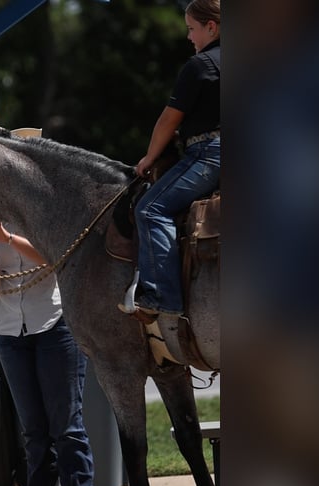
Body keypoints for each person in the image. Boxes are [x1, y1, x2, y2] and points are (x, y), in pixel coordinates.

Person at [0, 222, 101, 486]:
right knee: (34, 435)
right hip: (9, 332)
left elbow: (56, 257)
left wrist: (9, 239)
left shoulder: (37, 205)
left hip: (55, 326)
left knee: (67, 430)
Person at [128, 0, 221, 321]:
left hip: (210, 153)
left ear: (212, 27)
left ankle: (162, 297)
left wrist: (148, 158)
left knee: (151, 210)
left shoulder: (199, 66)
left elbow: (169, 120)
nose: (189, 38)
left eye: (192, 29)